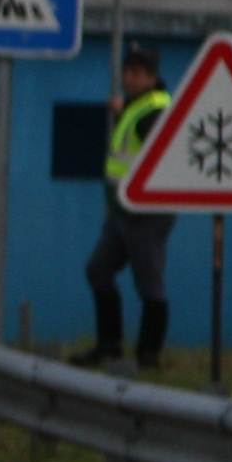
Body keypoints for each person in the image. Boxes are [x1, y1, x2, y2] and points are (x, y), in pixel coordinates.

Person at [78, 43, 171, 369]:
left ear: (151, 76)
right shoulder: (138, 106)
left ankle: (148, 354)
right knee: (98, 270)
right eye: (126, 72)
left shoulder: (155, 110)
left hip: (146, 214)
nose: (128, 79)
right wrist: (123, 109)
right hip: (122, 212)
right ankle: (110, 346)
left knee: (150, 282)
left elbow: (160, 152)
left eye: (136, 73)